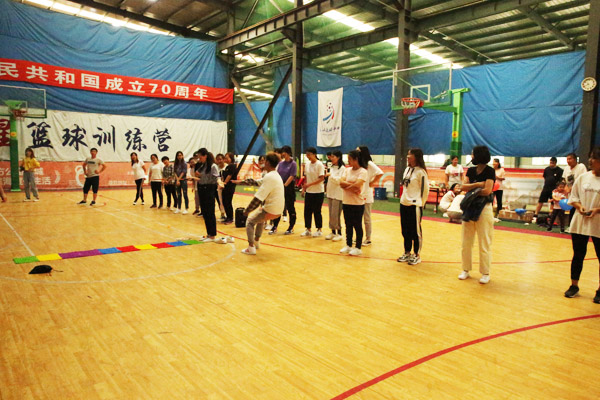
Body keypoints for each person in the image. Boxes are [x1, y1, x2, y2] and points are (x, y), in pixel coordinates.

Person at [564, 146, 600, 304]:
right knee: (578, 254)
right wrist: (580, 207)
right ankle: (574, 285)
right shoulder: (583, 178)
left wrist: (597, 210)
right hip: (580, 221)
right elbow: (573, 198)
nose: (591, 160)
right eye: (590, 157)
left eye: (594, 158)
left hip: (598, 222)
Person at [458, 145, 495, 284]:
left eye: (473, 154)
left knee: (484, 242)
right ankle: (465, 269)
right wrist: (478, 184)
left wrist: (472, 188)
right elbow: (463, 186)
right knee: (466, 241)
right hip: (470, 207)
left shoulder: (490, 171)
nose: (471, 156)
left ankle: (485, 272)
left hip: (484, 208)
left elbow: (487, 191)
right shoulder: (471, 170)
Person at [241, 153, 285, 255]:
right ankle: (256, 242)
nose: (263, 163)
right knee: (260, 217)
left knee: (250, 222)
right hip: (279, 210)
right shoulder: (275, 175)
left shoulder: (269, 176)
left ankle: (251, 247)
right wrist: (240, 181)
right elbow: (258, 182)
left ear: (268, 162)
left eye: (264, 161)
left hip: (271, 209)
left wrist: (247, 211)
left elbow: (258, 199)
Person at [397, 148, 429, 266]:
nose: (408, 156)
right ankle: (407, 252)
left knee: (415, 231)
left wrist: (421, 203)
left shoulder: (421, 172)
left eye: (410, 155)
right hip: (404, 203)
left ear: (416, 157)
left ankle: (416, 254)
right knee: (405, 230)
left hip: (415, 205)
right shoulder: (407, 169)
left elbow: (425, 190)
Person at [339, 150, 368, 256]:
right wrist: (351, 185)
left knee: (357, 225)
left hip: (357, 203)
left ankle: (358, 247)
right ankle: (348, 244)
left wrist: (347, 186)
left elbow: (358, 185)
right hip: (346, 201)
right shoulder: (347, 170)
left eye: (350, 159)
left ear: (356, 159)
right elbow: (341, 182)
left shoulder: (363, 171)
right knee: (348, 225)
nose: (348, 161)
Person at [358, 145, 384, 247]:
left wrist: (372, 182)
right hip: (358, 194)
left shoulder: (369, 163)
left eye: (358, 151)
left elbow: (380, 172)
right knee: (358, 218)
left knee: (366, 218)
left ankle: (368, 238)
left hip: (366, 195)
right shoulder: (359, 164)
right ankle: (359, 237)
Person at [271, 145, 297, 235]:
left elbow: (292, 176)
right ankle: (275, 226)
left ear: (288, 153)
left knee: (290, 208)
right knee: (278, 207)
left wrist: (285, 185)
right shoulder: (281, 164)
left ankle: (291, 227)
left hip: (289, 188)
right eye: (282, 152)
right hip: (280, 187)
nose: (283, 154)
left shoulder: (293, 163)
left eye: (284, 152)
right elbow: (277, 174)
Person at [195, 148, 219, 242]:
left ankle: (212, 235)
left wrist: (201, 176)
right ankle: (209, 233)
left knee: (210, 212)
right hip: (202, 189)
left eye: (200, 157)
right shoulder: (203, 165)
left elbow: (215, 178)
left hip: (209, 189)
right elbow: (199, 175)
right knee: (204, 212)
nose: (199, 159)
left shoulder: (213, 166)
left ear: (205, 156)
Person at [301, 147, 325, 237]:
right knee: (307, 211)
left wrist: (309, 184)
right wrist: (304, 189)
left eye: (309, 154)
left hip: (318, 192)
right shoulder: (307, 164)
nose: (308, 156)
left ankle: (319, 229)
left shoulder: (319, 165)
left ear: (314, 154)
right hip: (309, 192)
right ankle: (308, 229)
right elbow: (306, 177)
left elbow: (321, 178)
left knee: (317, 211)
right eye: (306, 155)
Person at [533, 157, 563, 222]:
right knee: (540, 201)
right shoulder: (547, 169)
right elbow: (545, 177)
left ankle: (550, 216)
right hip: (546, 188)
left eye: (553, 163)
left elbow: (560, 181)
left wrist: (558, 189)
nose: (551, 164)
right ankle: (535, 215)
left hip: (554, 189)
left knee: (553, 202)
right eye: (550, 162)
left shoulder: (560, 170)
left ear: (555, 163)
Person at [563, 152, 588, 226]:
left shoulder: (581, 167)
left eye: (570, 159)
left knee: (577, 210)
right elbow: (563, 179)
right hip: (570, 195)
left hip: (580, 194)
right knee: (571, 210)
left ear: (575, 159)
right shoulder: (566, 168)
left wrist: (572, 188)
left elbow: (584, 180)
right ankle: (570, 226)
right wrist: (565, 186)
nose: (568, 161)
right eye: (567, 159)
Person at [325, 150, 344, 242]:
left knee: (336, 214)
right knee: (331, 214)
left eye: (333, 157)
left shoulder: (343, 169)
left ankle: (339, 233)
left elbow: (339, 181)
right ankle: (332, 231)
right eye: (331, 156)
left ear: (338, 157)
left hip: (338, 194)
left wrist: (330, 175)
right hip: (330, 193)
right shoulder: (332, 167)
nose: (331, 158)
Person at [221, 152, 237, 224]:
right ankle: (228, 217)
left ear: (231, 158)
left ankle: (230, 218)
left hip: (229, 187)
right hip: (225, 187)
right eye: (225, 158)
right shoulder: (227, 166)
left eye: (227, 158)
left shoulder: (232, 166)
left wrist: (225, 183)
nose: (226, 159)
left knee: (228, 202)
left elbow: (229, 175)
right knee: (225, 202)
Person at [215, 153, 227, 221]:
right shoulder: (216, 168)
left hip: (226, 187)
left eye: (220, 159)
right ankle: (222, 215)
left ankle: (229, 215)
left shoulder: (227, 167)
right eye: (218, 159)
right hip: (219, 187)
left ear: (223, 159)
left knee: (227, 201)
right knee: (220, 201)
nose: (219, 161)